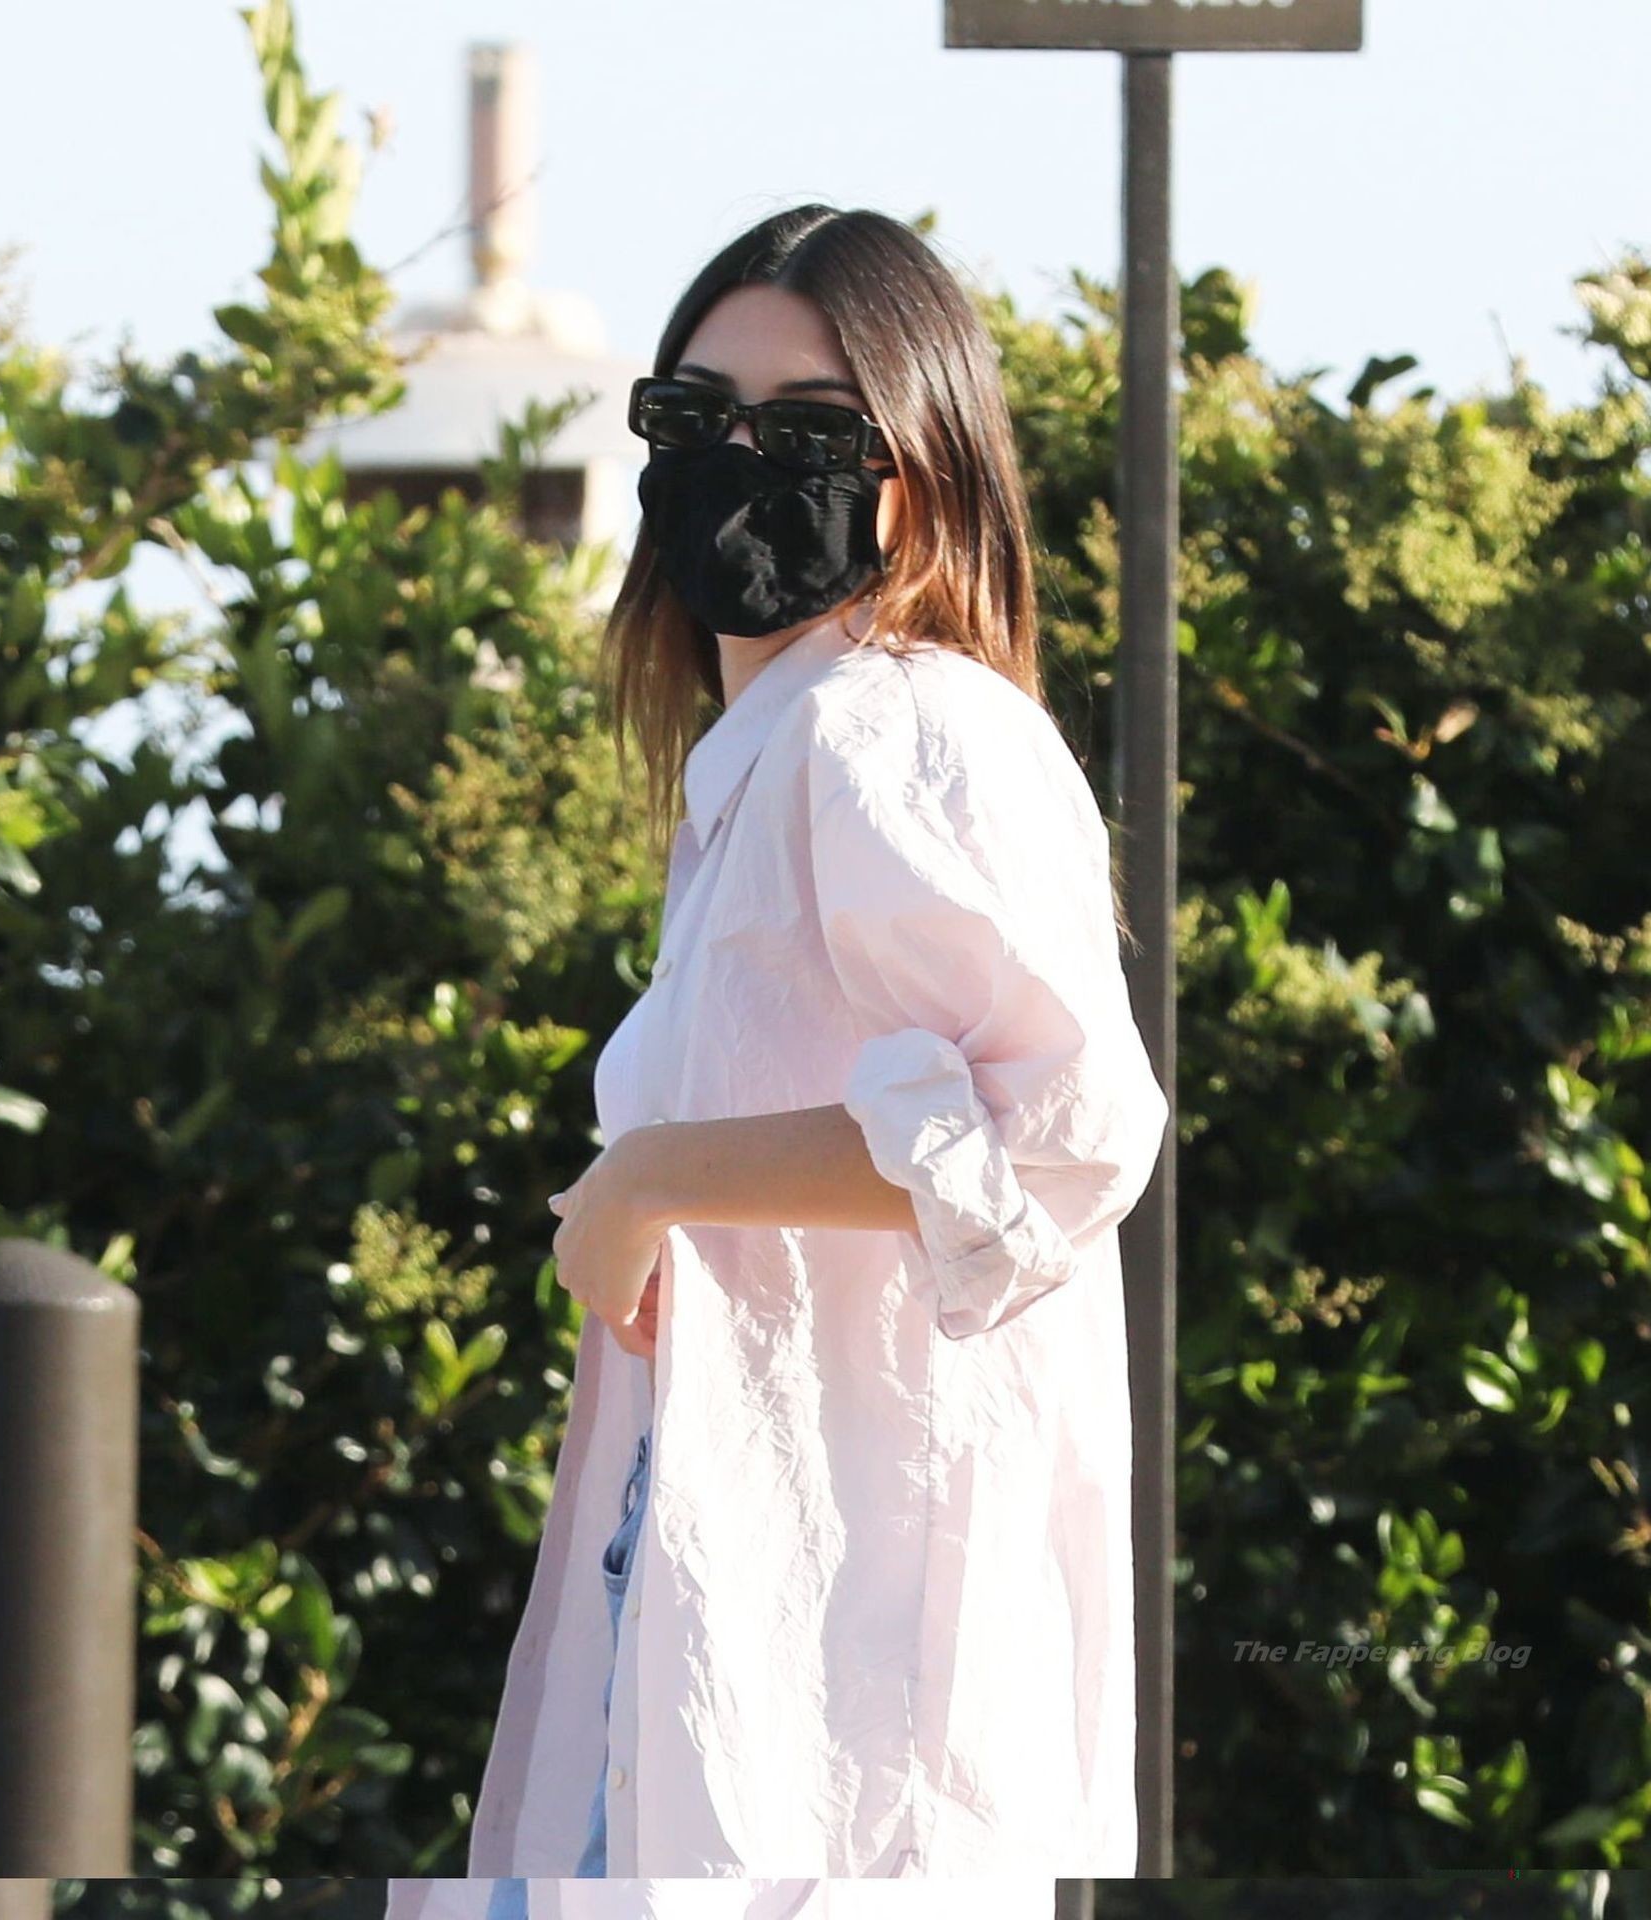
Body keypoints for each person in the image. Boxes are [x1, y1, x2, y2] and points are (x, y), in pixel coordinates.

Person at [386, 202, 1170, 1920]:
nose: (739, 467)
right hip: (721, 1614)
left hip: (834, 1693)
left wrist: (653, 1176)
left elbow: (1064, 1130)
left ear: (926, 471)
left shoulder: (896, 728)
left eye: (811, 431)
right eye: (695, 417)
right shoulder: (775, 756)